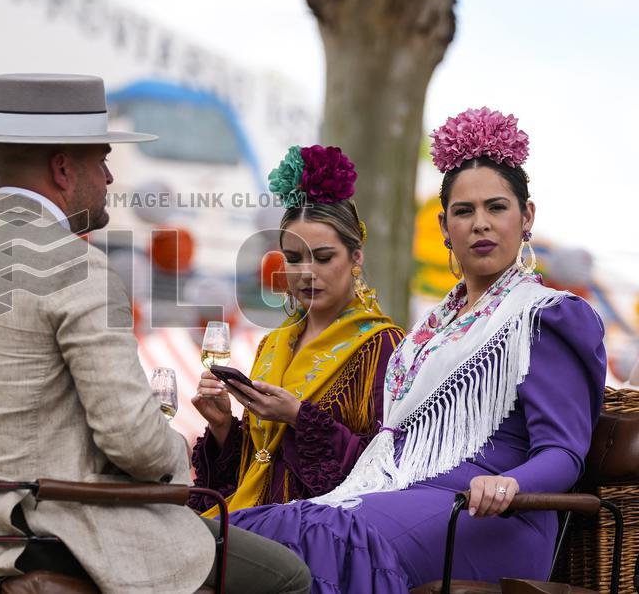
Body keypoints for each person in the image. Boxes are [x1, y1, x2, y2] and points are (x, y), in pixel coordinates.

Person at [0, 73, 311, 594]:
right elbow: (132, 439)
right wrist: (178, 459)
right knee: (288, 577)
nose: (111, 177)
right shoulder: (77, 267)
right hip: (46, 530)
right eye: (103, 160)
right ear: (64, 168)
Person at [227, 108, 607, 592]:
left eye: (497, 207)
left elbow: (563, 452)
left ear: (526, 216)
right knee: (261, 529)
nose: (480, 225)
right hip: (405, 493)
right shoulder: (430, 330)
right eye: (464, 212)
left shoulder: (545, 315)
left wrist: (509, 484)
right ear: (445, 226)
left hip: (495, 515)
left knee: (329, 534)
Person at [190, 144, 405, 515]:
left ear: (356, 258)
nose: (306, 272)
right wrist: (224, 426)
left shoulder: (383, 346)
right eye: (293, 258)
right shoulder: (273, 344)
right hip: (248, 518)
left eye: (323, 258)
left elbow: (387, 469)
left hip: (317, 532)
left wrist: (298, 416)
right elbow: (256, 463)